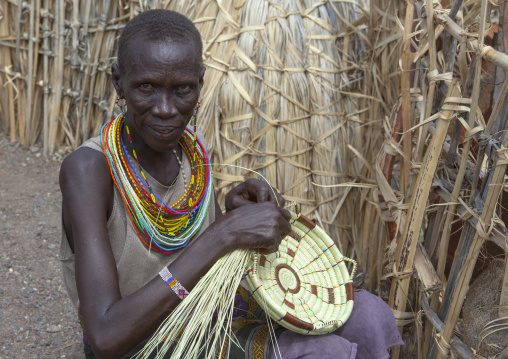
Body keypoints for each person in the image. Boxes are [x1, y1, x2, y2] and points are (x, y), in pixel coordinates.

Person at [59, 9, 403, 359]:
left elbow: (189, 245)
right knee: (324, 352)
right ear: (118, 81)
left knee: (369, 315)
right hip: (142, 345)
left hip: (208, 314)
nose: (166, 109)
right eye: (146, 87)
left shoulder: (190, 150)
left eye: (183, 90)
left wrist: (231, 210)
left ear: (200, 82)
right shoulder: (89, 170)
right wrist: (224, 233)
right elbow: (105, 335)